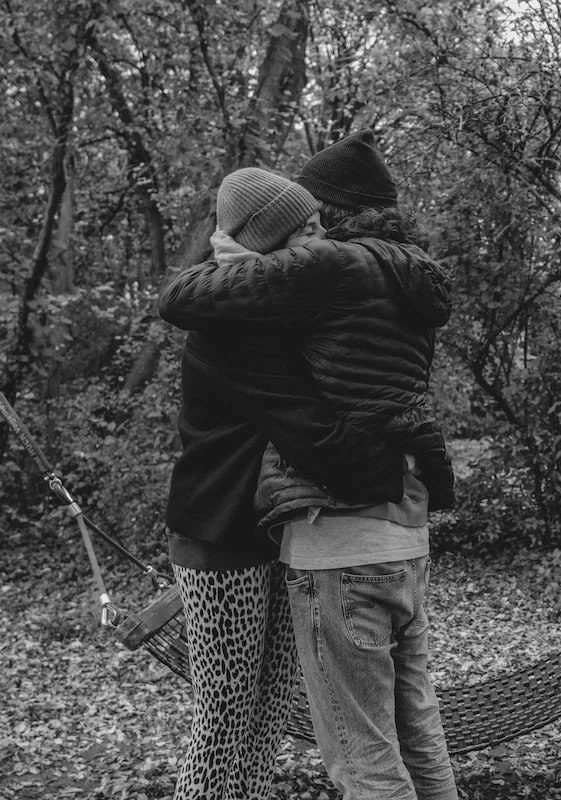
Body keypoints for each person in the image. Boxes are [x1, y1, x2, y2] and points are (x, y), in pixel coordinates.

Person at [160, 137, 459, 800]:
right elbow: (307, 425)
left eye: (319, 220)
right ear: (271, 245)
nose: (315, 236)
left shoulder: (318, 285)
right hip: (228, 535)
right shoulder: (394, 277)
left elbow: (317, 420)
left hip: (319, 539)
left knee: (291, 728)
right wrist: (405, 474)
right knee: (231, 720)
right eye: (302, 228)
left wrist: (395, 473)